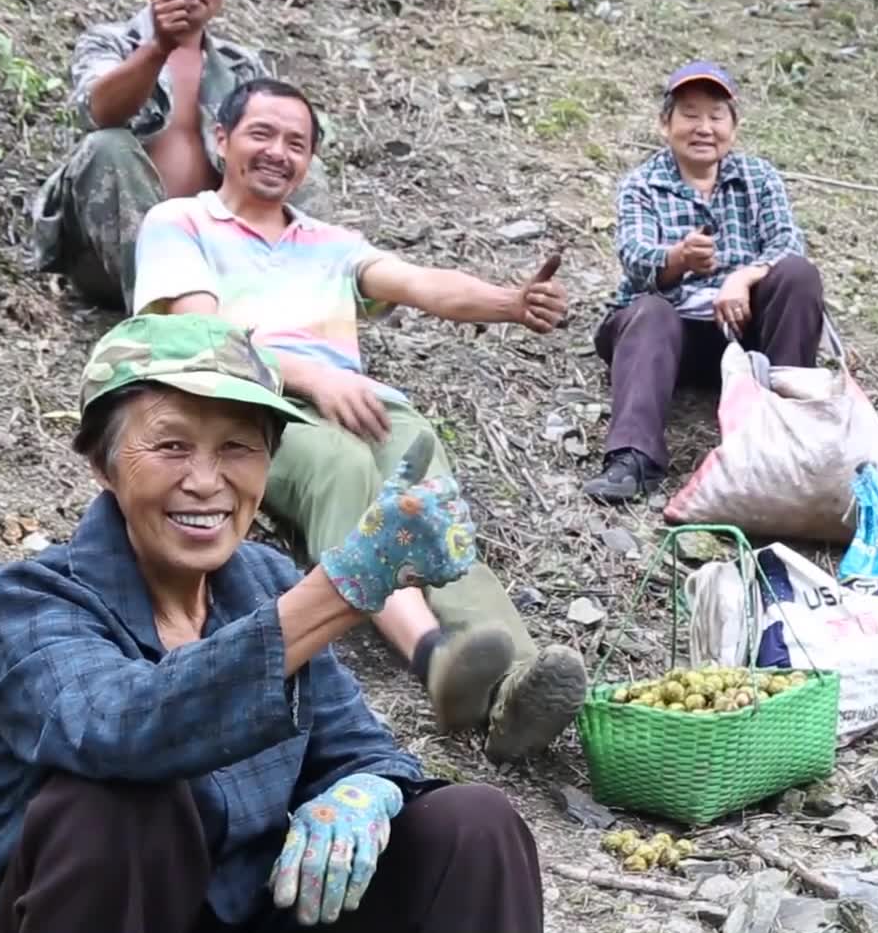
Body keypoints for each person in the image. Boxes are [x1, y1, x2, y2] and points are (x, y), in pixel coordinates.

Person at [0, 313, 543, 933]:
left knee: (471, 823)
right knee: (119, 806)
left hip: (238, 917)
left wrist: (364, 791)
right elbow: (120, 727)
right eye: (171, 446)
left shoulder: (263, 583)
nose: (206, 481)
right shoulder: (38, 597)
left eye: (238, 447)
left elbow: (357, 749)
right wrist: (341, 590)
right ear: (103, 465)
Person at [131, 78, 586, 762]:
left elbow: (419, 282)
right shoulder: (180, 222)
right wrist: (314, 377)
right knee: (343, 468)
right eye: (262, 134)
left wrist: (511, 302)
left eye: (297, 143)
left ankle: (513, 683)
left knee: (430, 501)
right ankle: (434, 657)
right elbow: (203, 331)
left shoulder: (329, 242)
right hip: (246, 403)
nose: (279, 153)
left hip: (358, 402)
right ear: (221, 140)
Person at [27, 0, 326, 311]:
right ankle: (168, 316)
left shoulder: (241, 68)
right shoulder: (111, 43)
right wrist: (158, 48)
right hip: (107, 256)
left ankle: (291, 302)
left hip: (211, 253)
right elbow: (98, 112)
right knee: (108, 146)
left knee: (302, 165)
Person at [585, 61, 827, 504]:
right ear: (665, 124)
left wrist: (743, 276)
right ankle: (633, 459)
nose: (704, 128)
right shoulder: (642, 184)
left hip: (742, 334)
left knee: (798, 274)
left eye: (716, 116)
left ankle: (787, 436)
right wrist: (677, 259)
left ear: (732, 128)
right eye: (690, 114)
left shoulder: (758, 178)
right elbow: (636, 258)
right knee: (651, 311)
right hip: (665, 338)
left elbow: (787, 241)